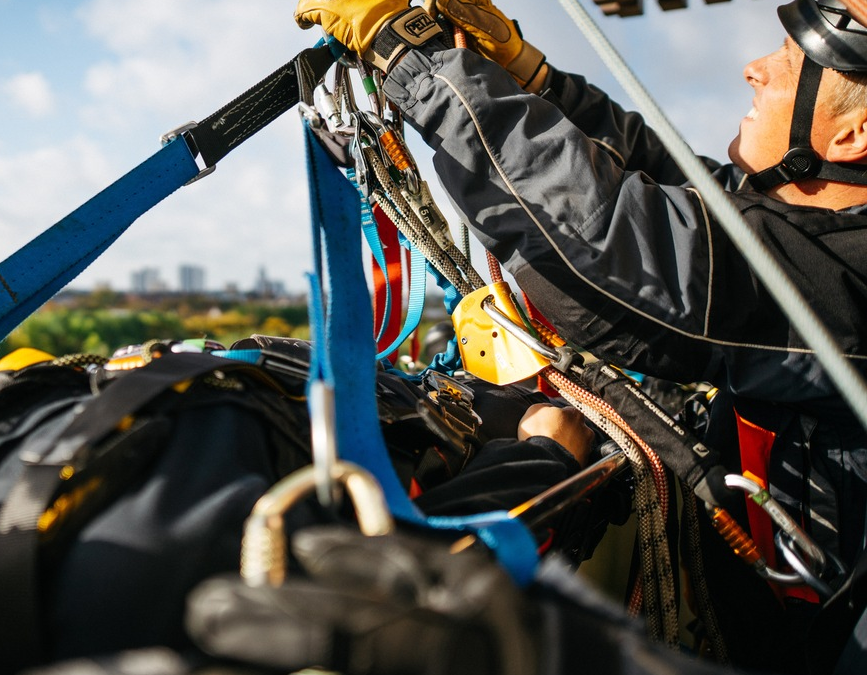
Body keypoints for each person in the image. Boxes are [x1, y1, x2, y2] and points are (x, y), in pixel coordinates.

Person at [292, 0, 867, 673]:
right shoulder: (814, 230)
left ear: (855, 134)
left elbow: (612, 241)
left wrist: (410, 56)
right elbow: (672, 185)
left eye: (790, 63)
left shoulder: (845, 283)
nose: (753, 69)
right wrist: (529, 74)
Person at [0, 331, 602, 675]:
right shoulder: (162, 605)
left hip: (322, 371)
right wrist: (538, 455)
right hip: (437, 422)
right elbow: (426, 567)